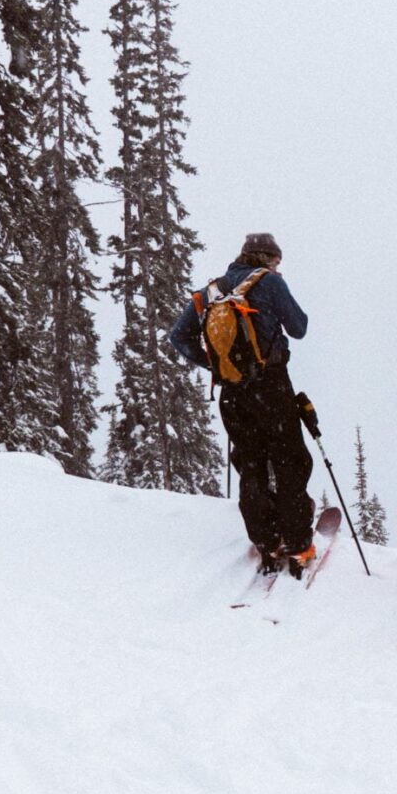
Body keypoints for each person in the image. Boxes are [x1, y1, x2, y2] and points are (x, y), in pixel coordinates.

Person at [169, 232, 314, 571]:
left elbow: (179, 336)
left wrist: (217, 365)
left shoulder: (212, 291)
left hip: (232, 391)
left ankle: (265, 539)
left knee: (250, 463)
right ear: (269, 258)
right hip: (271, 385)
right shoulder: (269, 283)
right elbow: (299, 327)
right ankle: (297, 543)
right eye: (276, 260)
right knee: (289, 459)